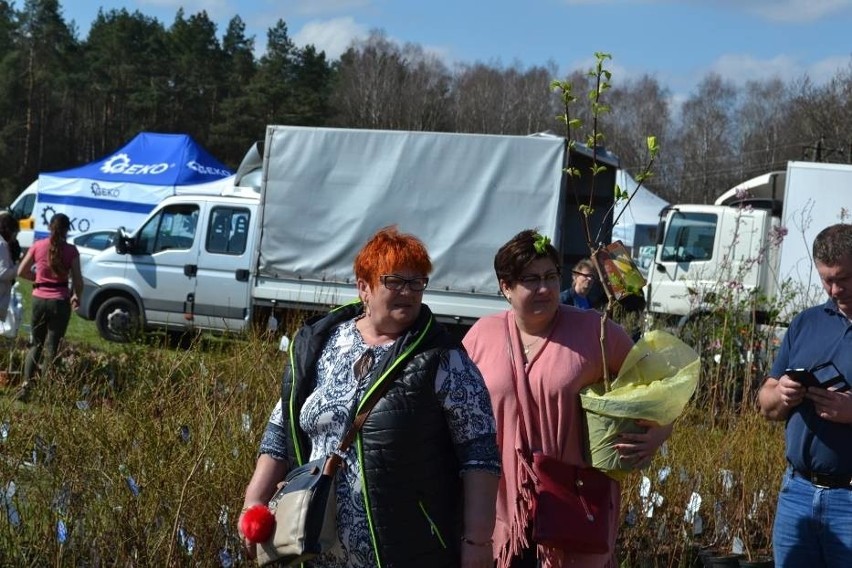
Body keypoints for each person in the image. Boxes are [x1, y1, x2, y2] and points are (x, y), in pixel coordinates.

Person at [240, 226, 500, 568]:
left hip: (408, 550)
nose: (407, 292)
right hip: (317, 547)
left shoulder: (445, 358)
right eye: (394, 281)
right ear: (364, 287)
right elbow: (281, 428)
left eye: (416, 282)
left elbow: (479, 455)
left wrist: (478, 541)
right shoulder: (321, 344)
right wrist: (254, 503)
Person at [463, 229, 672, 568]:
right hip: (496, 506)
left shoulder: (594, 331)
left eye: (550, 276)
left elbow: (662, 383)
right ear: (505, 286)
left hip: (571, 504)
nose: (544, 288)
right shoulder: (481, 335)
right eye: (530, 279)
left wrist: (658, 432)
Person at [757, 223, 852, 568]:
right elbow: (765, 403)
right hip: (797, 493)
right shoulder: (806, 323)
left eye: (844, 278)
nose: (835, 289)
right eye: (826, 279)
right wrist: (781, 393)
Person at [15, 213, 82, 401]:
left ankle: (26, 387)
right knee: (52, 347)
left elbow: (21, 271)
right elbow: (78, 279)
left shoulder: (37, 246)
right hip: (60, 302)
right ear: (67, 229)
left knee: (35, 344)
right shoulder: (71, 251)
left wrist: (37, 281)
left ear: (49, 227)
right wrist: (77, 295)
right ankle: (45, 392)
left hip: (38, 299)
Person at [0, 213, 21, 322]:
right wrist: (18, 267)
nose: (15, 236)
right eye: (15, 232)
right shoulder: (2, 245)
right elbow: (3, 273)